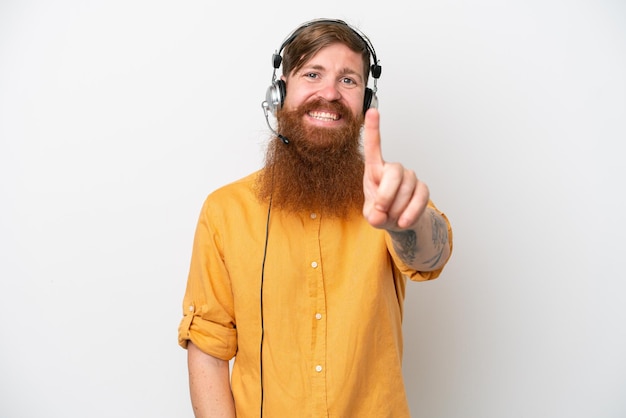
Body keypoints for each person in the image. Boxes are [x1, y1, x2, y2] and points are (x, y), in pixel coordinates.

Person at [178, 18, 453, 418]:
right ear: (280, 91)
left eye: (349, 81)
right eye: (313, 73)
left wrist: (405, 223)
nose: (330, 93)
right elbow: (208, 351)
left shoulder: (388, 198)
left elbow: (432, 255)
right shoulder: (225, 211)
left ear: (366, 101)